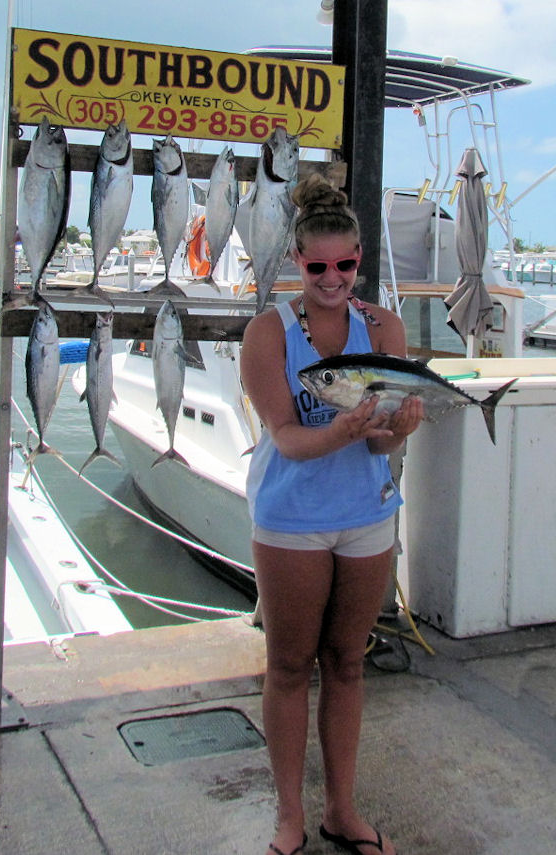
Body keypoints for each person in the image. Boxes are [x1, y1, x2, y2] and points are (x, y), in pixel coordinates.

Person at [240, 174, 424, 855]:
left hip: (366, 515)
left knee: (348, 661)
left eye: (345, 264)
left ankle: (340, 809)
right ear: (296, 261)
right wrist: (340, 433)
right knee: (289, 664)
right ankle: (289, 815)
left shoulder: (386, 327)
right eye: (318, 266)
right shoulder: (268, 334)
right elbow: (286, 436)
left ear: (360, 259)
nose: (332, 278)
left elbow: (382, 440)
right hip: (292, 518)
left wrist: (397, 427)